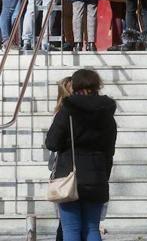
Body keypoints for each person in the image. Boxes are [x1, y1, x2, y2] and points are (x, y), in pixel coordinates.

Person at [45, 69, 117, 241]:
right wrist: (103, 175)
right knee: (92, 228)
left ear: (75, 86)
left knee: (70, 229)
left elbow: (52, 143)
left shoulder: (67, 110)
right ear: (97, 85)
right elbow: (109, 150)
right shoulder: (107, 113)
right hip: (97, 176)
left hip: (69, 176)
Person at [49, 76, 72, 241]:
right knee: (89, 225)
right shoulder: (66, 111)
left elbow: (52, 143)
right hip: (89, 171)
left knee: (66, 223)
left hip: (66, 169)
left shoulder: (61, 112)